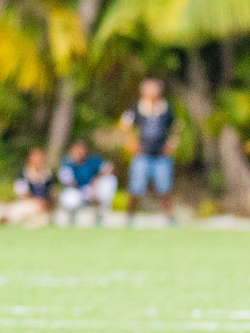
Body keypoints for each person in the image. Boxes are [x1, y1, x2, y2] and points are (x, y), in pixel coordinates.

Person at [120, 78, 178, 225]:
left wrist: (171, 145)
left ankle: (169, 218)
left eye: (156, 89)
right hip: (142, 156)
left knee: (164, 188)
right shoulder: (136, 108)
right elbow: (125, 128)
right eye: (150, 89)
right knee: (136, 188)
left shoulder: (165, 109)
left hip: (161, 156)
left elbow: (176, 129)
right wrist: (132, 145)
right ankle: (129, 217)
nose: (153, 92)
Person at [57, 139, 115, 227]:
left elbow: (109, 168)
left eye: (82, 150)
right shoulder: (67, 163)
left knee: (109, 180)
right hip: (77, 191)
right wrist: (85, 191)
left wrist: (96, 181)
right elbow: (69, 182)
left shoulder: (92, 160)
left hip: (93, 189)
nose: (80, 152)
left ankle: (100, 216)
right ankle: (72, 220)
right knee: (70, 198)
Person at [9, 147, 56, 226]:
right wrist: (37, 202)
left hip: (44, 208)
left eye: (40, 158)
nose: (39, 160)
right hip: (27, 204)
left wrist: (47, 204)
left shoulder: (48, 175)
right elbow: (22, 195)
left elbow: (52, 195)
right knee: (16, 214)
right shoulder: (23, 174)